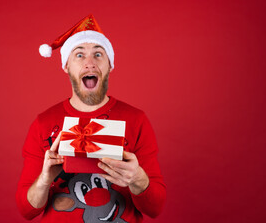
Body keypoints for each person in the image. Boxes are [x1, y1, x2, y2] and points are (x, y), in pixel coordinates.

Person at [16, 14, 166, 222]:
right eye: (79, 55)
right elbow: (26, 210)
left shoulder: (136, 120)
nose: (89, 63)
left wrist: (138, 179)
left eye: (98, 54)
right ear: (66, 66)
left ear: (110, 65)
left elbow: (155, 208)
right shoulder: (43, 123)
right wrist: (44, 180)